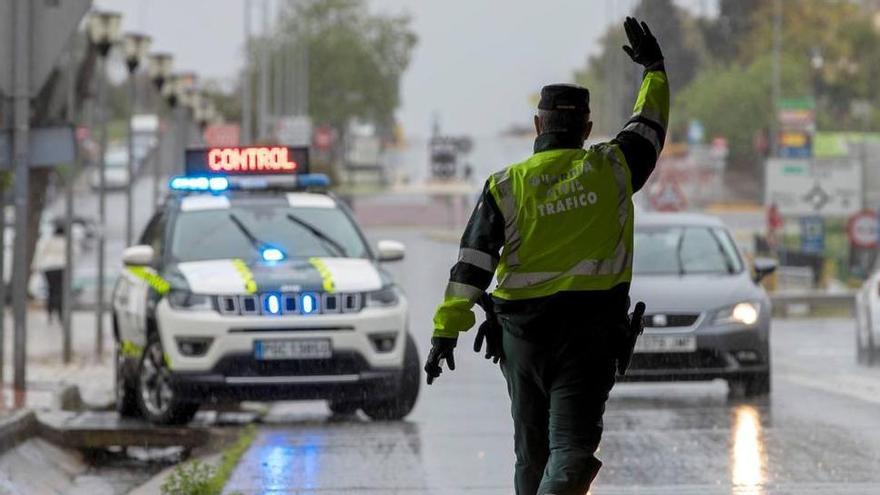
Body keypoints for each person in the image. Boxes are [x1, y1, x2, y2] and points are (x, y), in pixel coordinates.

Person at [424, 17, 669, 495]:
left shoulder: (505, 186)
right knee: (571, 451)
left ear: (538, 126)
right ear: (587, 128)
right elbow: (649, 126)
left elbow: (470, 267)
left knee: (532, 453)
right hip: (588, 336)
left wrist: (445, 332)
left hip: (523, 339)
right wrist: (654, 71)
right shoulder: (612, 168)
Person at [36, 224, 67, 323]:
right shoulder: (65, 241)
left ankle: (49, 313)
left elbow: (40, 252)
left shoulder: (48, 241)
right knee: (60, 291)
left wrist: (36, 266)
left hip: (48, 267)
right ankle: (60, 314)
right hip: (61, 267)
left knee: (51, 290)